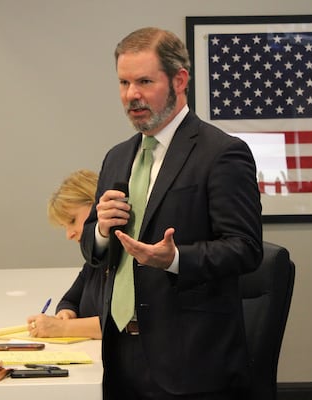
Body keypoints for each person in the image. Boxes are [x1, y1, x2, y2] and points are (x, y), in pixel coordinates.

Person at [80, 27, 263, 399]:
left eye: (145, 81)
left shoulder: (222, 153)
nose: (132, 95)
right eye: (124, 82)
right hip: (118, 355)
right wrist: (100, 231)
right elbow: (92, 249)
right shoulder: (117, 157)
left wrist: (176, 258)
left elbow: (245, 248)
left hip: (190, 363)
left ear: (180, 80)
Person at [27, 169, 103, 339]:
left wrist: (63, 327)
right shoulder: (95, 260)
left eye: (72, 221)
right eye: (64, 227)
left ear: (96, 204)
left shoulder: (129, 257)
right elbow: (69, 300)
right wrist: (66, 313)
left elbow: (123, 325)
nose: (69, 235)